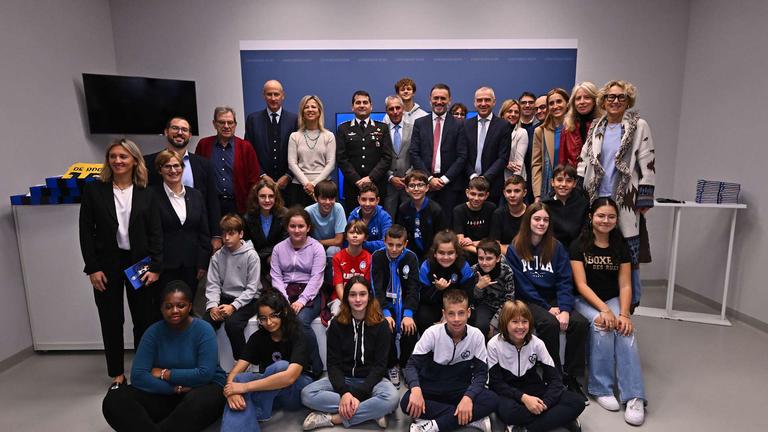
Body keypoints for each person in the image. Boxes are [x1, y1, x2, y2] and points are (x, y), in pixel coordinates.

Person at [80, 138, 162, 388]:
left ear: (134, 160)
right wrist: (92, 268)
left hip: (139, 264)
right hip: (107, 265)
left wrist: (156, 267)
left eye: (123, 156)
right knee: (111, 319)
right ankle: (117, 373)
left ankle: (142, 369)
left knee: (144, 319)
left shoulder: (147, 193)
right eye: (113, 156)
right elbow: (85, 232)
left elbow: (156, 233)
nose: (117, 160)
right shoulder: (95, 190)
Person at [102, 281, 226, 432]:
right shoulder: (153, 332)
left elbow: (204, 374)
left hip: (202, 390)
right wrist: (175, 389)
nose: (174, 310)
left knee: (197, 401)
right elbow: (138, 376)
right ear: (161, 309)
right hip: (167, 392)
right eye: (168, 306)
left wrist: (165, 373)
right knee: (114, 400)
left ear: (190, 306)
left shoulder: (204, 330)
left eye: (181, 306)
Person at [578, 80, 656, 307]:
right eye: (610, 97)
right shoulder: (596, 126)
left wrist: (645, 194)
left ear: (628, 101)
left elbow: (647, 160)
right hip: (596, 196)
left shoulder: (638, 125)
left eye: (620, 97)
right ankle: (599, 297)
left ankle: (631, 301)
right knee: (598, 245)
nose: (615, 101)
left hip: (626, 197)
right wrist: (580, 188)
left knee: (629, 249)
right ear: (603, 101)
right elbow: (585, 158)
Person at [570, 198, 647, 425]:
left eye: (611, 216)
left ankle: (634, 396)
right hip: (584, 300)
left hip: (612, 299)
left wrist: (624, 314)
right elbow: (581, 286)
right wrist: (604, 310)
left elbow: (625, 285)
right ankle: (600, 388)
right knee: (602, 326)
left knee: (625, 331)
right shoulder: (578, 245)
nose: (606, 220)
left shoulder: (620, 245)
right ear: (591, 217)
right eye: (601, 216)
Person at [505, 203, 589, 403]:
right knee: (549, 324)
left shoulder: (557, 247)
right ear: (528, 221)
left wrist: (565, 309)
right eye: (537, 219)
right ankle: (555, 376)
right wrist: (547, 308)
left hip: (554, 299)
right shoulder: (515, 247)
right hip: (529, 301)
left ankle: (572, 377)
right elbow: (523, 285)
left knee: (580, 323)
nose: (541, 223)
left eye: (545, 220)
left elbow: (564, 280)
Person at [301, 276, 399, 430]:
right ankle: (373, 411)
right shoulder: (336, 324)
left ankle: (333, 418)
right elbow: (333, 364)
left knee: (392, 398)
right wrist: (345, 392)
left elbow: (380, 367)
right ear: (346, 298)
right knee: (307, 394)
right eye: (353, 295)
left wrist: (358, 394)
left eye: (362, 294)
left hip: (371, 381)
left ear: (369, 296)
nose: (358, 299)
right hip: (343, 378)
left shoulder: (381, 325)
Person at [401, 289, 497, 432]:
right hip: (432, 385)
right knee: (406, 402)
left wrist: (468, 398)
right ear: (444, 314)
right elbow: (411, 366)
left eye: (461, 313)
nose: (456, 319)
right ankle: (469, 420)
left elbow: (481, 374)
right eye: (451, 313)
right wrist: (415, 389)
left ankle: (433, 426)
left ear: (468, 313)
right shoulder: (432, 333)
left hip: (459, 388)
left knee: (492, 400)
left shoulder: (476, 335)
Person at [221, 290, 317, 431]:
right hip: (269, 392)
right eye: (263, 318)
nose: (269, 322)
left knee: (281, 366)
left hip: (295, 391)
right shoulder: (258, 337)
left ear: (284, 312)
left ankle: (260, 409)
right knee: (238, 379)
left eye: (273, 316)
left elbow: (290, 377)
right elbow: (235, 371)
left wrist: (245, 387)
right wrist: (231, 391)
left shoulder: (298, 334)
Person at [488, 300, 584, 432]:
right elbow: (496, 383)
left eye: (524, 322)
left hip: (534, 388)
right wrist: (525, 398)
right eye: (515, 322)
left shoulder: (537, 343)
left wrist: (544, 404)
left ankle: (525, 429)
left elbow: (555, 379)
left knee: (577, 402)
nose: (521, 327)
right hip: (509, 392)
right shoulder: (494, 344)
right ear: (505, 323)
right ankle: (559, 419)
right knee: (510, 413)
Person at [146, 116, 221, 251]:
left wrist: (216, 235)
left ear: (190, 135)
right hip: (162, 238)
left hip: (196, 237)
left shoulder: (204, 164)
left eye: (184, 130)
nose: (180, 133)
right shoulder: (148, 163)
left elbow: (212, 201)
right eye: (175, 128)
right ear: (166, 132)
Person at [270, 207, 326, 374]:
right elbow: (276, 276)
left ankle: (315, 366)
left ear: (308, 227)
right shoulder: (278, 249)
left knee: (301, 322)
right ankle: (280, 363)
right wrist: (285, 301)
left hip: (310, 293)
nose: (296, 230)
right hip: (284, 293)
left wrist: (301, 301)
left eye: (301, 226)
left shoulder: (317, 248)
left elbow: (317, 278)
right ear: (287, 227)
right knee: (272, 320)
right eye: (292, 226)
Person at [151, 150, 211, 302]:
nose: (173, 170)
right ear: (160, 170)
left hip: (192, 266)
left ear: (183, 168)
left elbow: (204, 232)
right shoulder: (151, 196)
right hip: (164, 267)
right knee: (166, 309)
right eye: (167, 166)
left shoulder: (196, 195)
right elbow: (150, 233)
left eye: (177, 166)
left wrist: (202, 263)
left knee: (188, 309)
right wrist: (155, 266)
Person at [204, 214, 261, 361]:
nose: (227, 238)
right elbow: (213, 284)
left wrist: (233, 307)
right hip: (225, 297)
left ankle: (241, 363)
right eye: (224, 234)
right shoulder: (217, 256)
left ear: (240, 234)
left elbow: (252, 289)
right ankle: (208, 362)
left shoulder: (251, 256)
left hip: (249, 299)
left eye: (231, 233)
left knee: (233, 325)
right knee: (205, 324)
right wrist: (212, 306)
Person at [370, 224, 420, 389]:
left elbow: (413, 288)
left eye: (399, 245)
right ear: (384, 241)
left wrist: (408, 313)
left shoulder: (411, 258)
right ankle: (392, 366)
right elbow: (376, 288)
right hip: (384, 303)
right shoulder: (377, 257)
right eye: (390, 244)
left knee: (410, 327)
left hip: (405, 302)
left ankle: (406, 365)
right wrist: (385, 312)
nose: (394, 249)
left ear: (405, 244)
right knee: (386, 326)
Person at [410, 83, 467, 224]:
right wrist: (429, 179)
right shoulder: (419, 123)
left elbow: (462, 156)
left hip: (450, 185)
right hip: (425, 185)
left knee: (447, 225)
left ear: (449, 100)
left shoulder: (459, 124)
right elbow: (414, 153)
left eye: (443, 98)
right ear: (430, 99)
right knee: (425, 224)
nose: (439, 101)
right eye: (436, 98)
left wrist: (444, 179)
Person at [195, 106, 261, 215]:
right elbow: (198, 175)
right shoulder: (204, 145)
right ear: (214, 124)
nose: (226, 126)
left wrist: (250, 205)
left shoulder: (246, 147)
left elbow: (254, 179)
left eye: (230, 122)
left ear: (235, 124)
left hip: (238, 205)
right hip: (211, 205)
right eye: (221, 122)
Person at [336, 90, 394, 212]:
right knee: (354, 224)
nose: (362, 105)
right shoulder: (343, 128)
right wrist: (357, 180)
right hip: (353, 186)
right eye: (358, 102)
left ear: (371, 106)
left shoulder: (382, 128)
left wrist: (371, 178)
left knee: (378, 222)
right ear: (352, 107)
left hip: (377, 185)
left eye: (365, 102)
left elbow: (387, 157)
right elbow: (341, 158)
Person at [244, 79, 299, 200]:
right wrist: (262, 175)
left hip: (288, 186)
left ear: (283, 95)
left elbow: (299, 152)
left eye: (276, 94)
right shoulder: (253, 120)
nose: (273, 98)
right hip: (261, 186)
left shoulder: (294, 119)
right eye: (269, 94)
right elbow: (248, 152)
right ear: (264, 96)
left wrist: (288, 176)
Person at [416, 230, 476, 333]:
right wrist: (437, 289)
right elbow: (422, 297)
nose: (446, 257)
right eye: (441, 253)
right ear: (434, 253)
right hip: (434, 305)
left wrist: (448, 316)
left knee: (472, 317)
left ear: (456, 253)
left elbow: (468, 295)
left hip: (457, 305)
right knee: (422, 317)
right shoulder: (427, 266)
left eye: (450, 253)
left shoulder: (463, 266)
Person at [463, 86, 512, 204]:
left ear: (494, 102)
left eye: (487, 100)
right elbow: (462, 155)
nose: (483, 103)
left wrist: (485, 178)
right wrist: (473, 176)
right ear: (474, 103)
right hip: (467, 183)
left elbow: (503, 157)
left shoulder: (504, 126)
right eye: (479, 100)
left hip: (492, 185)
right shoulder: (465, 125)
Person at [287, 94, 336, 207]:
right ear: (302, 111)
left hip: (324, 188)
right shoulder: (294, 136)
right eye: (306, 107)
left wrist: (314, 184)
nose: (310, 110)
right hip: (299, 187)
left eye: (313, 107)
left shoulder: (329, 136)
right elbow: (292, 163)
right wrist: (307, 184)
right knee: (299, 223)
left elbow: (331, 164)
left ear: (319, 111)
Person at [395, 170, 448, 260]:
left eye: (420, 185)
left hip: (433, 254)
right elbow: (402, 234)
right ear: (406, 189)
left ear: (427, 187)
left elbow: (441, 237)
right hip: (410, 253)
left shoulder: (436, 210)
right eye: (412, 186)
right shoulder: (403, 208)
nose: (416, 189)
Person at [243, 178, 288, 276]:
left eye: (271, 196)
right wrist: (256, 256)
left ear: (276, 197)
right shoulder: (248, 217)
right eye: (262, 196)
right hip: (254, 260)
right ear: (256, 198)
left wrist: (262, 255)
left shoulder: (285, 214)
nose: (267, 200)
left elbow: (284, 242)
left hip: (278, 256)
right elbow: (247, 241)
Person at [472, 239, 515, 339]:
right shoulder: (474, 271)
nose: (484, 262)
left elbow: (509, 299)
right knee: (481, 326)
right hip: (485, 305)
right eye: (481, 258)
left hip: (504, 306)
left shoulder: (506, 271)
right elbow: (472, 300)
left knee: (504, 329)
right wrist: (479, 287)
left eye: (489, 258)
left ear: (498, 258)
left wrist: (493, 323)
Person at [532, 88, 569, 201]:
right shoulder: (540, 131)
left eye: (559, 101)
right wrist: (537, 195)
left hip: (572, 186)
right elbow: (536, 165)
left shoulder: (575, 128)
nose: (555, 106)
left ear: (567, 103)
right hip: (548, 189)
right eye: (551, 103)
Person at [331, 220, 372, 316]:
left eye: (359, 233)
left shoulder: (369, 258)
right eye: (351, 232)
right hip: (340, 299)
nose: (355, 236)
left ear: (365, 237)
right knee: (338, 316)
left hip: (361, 298)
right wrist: (347, 302)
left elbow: (365, 287)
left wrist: (357, 302)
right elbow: (339, 285)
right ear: (346, 236)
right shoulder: (337, 257)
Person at [382, 95, 414, 219]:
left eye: (398, 108)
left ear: (403, 109)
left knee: (410, 220)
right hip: (389, 185)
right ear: (386, 111)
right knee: (388, 220)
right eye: (391, 109)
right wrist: (390, 177)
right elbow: (378, 157)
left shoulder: (413, 128)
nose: (395, 112)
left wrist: (409, 176)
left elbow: (417, 154)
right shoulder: (381, 130)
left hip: (409, 183)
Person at [542, 164, 588, 249]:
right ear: (552, 182)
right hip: (552, 249)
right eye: (559, 180)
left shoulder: (582, 203)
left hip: (577, 249)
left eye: (569, 181)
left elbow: (584, 231)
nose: (563, 184)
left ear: (574, 183)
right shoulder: (545, 205)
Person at [453, 176, 496, 262]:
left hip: (488, 252)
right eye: (473, 194)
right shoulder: (458, 210)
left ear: (486, 195)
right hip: (468, 253)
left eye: (480, 195)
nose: (476, 198)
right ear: (467, 193)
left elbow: (493, 240)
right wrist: (480, 252)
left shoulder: (491, 208)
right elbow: (460, 242)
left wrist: (472, 242)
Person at [560, 82, 601, 168]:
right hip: (573, 177)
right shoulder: (568, 128)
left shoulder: (603, 126)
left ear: (595, 101)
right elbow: (562, 161)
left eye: (587, 97)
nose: (582, 102)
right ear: (573, 103)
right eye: (578, 98)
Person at [347, 183, 392, 253]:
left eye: (371, 200)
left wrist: (362, 243)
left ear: (377, 200)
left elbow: (387, 243)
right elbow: (348, 240)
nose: (367, 204)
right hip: (357, 255)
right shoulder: (353, 215)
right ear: (358, 199)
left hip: (378, 256)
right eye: (364, 199)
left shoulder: (385, 217)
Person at [489, 175, 527, 254]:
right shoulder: (498, 214)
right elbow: (495, 245)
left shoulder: (532, 213)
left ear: (524, 193)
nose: (512, 195)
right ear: (504, 193)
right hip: (505, 256)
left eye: (517, 191)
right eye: (509, 191)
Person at [499, 99, 530, 181]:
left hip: (514, 180)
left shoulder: (521, 133)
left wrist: (514, 184)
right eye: (509, 111)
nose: (513, 114)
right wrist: (505, 163)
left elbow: (518, 165)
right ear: (502, 114)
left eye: (516, 112)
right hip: (495, 178)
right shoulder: (494, 132)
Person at [518, 92, 539, 204]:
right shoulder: (512, 126)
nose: (527, 105)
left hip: (534, 175)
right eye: (523, 103)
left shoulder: (540, 127)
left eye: (530, 103)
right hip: (517, 175)